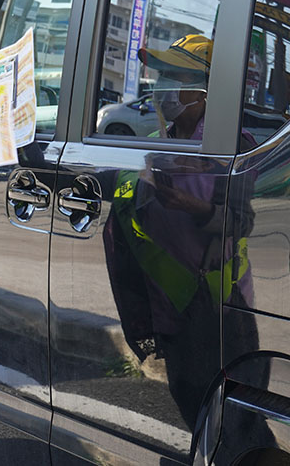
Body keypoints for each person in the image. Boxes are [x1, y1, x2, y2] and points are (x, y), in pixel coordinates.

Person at [102, 34, 258, 428]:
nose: (163, 88)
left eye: (176, 76)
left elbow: (242, 221)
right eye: (162, 75)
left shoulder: (234, 147)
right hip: (172, 310)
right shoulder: (159, 145)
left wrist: (193, 207)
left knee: (231, 428)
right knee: (188, 418)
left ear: (206, 92)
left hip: (218, 313)